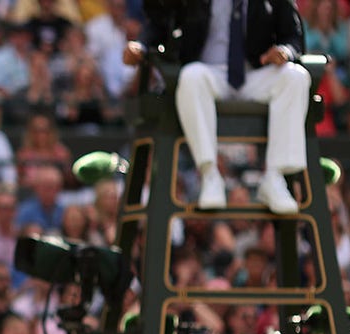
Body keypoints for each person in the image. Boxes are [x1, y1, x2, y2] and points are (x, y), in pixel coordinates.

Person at [124, 0, 310, 214]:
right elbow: (160, 22)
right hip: (209, 74)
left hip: (255, 74)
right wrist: (141, 45)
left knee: (296, 78)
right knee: (191, 76)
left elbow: (294, 36)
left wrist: (284, 52)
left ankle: (275, 178)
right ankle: (209, 174)